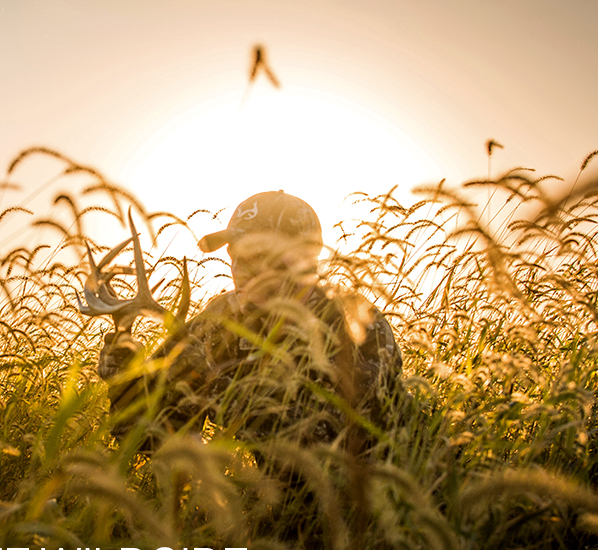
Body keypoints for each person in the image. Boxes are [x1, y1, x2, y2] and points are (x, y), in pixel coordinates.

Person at [98, 190, 402, 452]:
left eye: (256, 253)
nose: (239, 267)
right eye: (234, 254)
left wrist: (223, 390)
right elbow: (148, 437)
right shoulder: (219, 322)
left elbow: (342, 443)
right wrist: (128, 383)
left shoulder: (357, 323)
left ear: (302, 256)